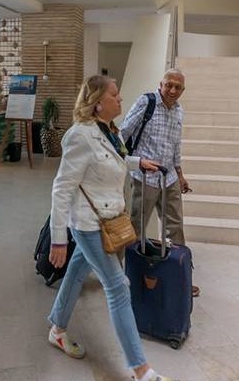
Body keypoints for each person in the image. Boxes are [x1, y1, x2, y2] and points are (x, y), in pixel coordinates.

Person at [48, 75, 174, 381]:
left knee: (77, 272)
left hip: (108, 218)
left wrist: (136, 162)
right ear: (98, 102)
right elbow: (62, 188)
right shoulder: (80, 135)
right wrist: (58, 239)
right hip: (90, 224)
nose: (120, 99)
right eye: (115, 95)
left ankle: (57, 328)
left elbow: (109, 160)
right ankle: (141, 370)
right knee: (118, 287)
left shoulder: (108, 130)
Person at [120, 68, 199, 297]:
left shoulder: (179, 111)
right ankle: (124, 277)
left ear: (183, 90)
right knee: (134, 229)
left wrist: (180, 174)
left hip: (170, 179)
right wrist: (132, 162)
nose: (172, 90)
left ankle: (180, 278)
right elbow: (123, 134)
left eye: (178, 87)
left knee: (176, 229)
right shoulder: (146, 102)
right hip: (145, 178)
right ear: (161, 84)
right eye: (169, 85)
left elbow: (175, 147)